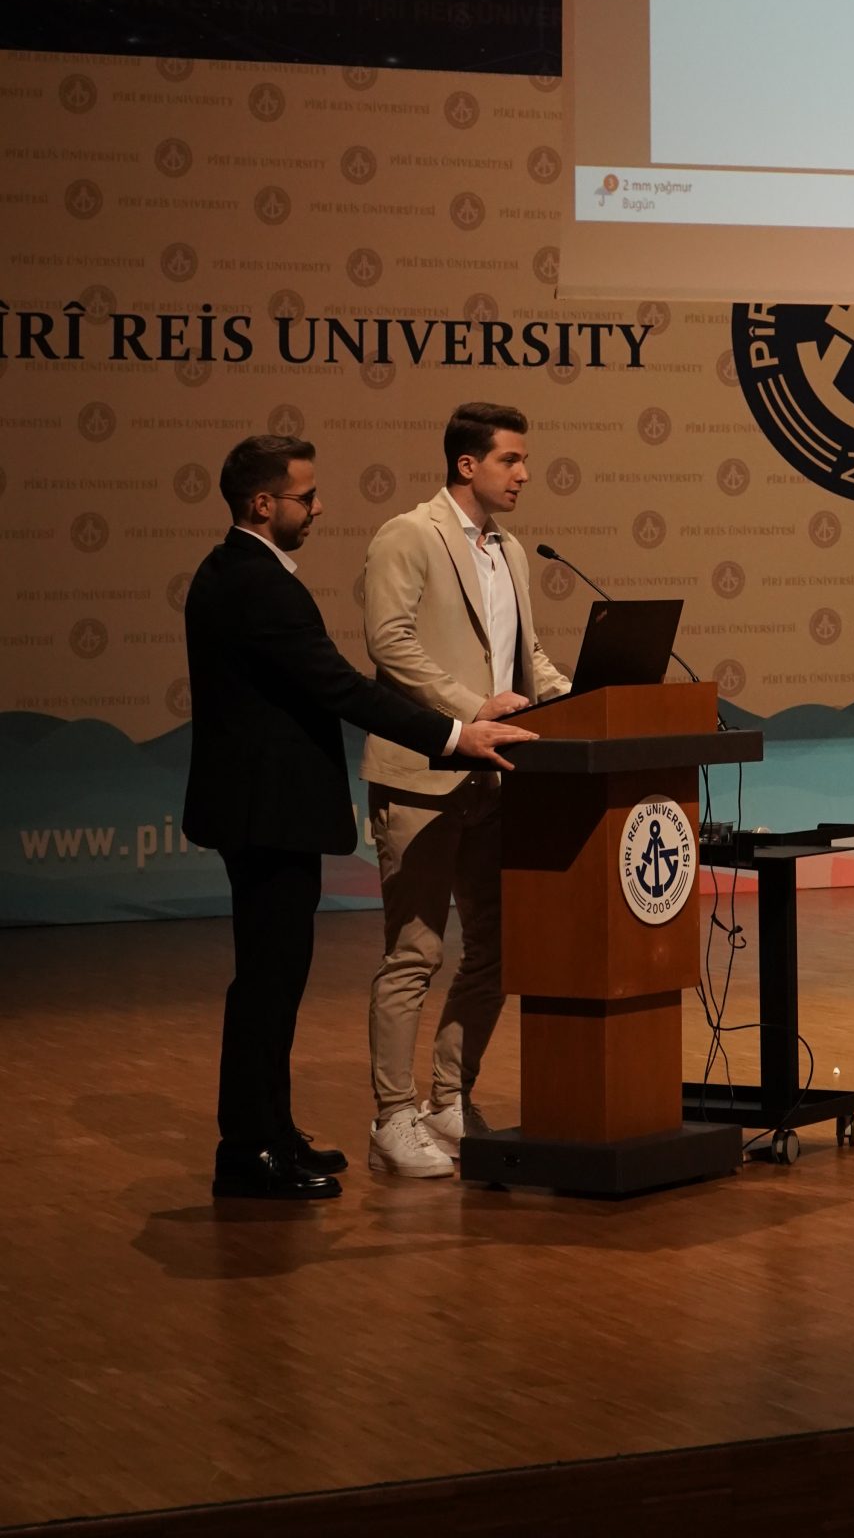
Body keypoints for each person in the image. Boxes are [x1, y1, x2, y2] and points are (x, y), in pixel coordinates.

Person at [182, 434, 535, 1202]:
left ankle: (271, 1132)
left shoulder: (235, 572)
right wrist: (454, 734)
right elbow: (341, 688)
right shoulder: (257, 584)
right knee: (268, 985)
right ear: (263, 504)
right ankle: (249, 1150)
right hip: (266, 814)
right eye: (305, 496)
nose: (318, 508)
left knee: (274, 981)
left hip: (262, 811)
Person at [362, 401, 574, 1178]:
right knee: (414, 952)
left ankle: (449, 1098)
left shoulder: (509, 550)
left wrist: (586, 701)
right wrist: (468, 707)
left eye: (523, 459)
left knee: (499, 945)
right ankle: (392, 1117)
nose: (524, 474)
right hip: (422, 774)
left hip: (494, 780)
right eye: (510, 459)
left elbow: (527, 658)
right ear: (467, 464)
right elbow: (390, 643)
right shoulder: (408, 535)